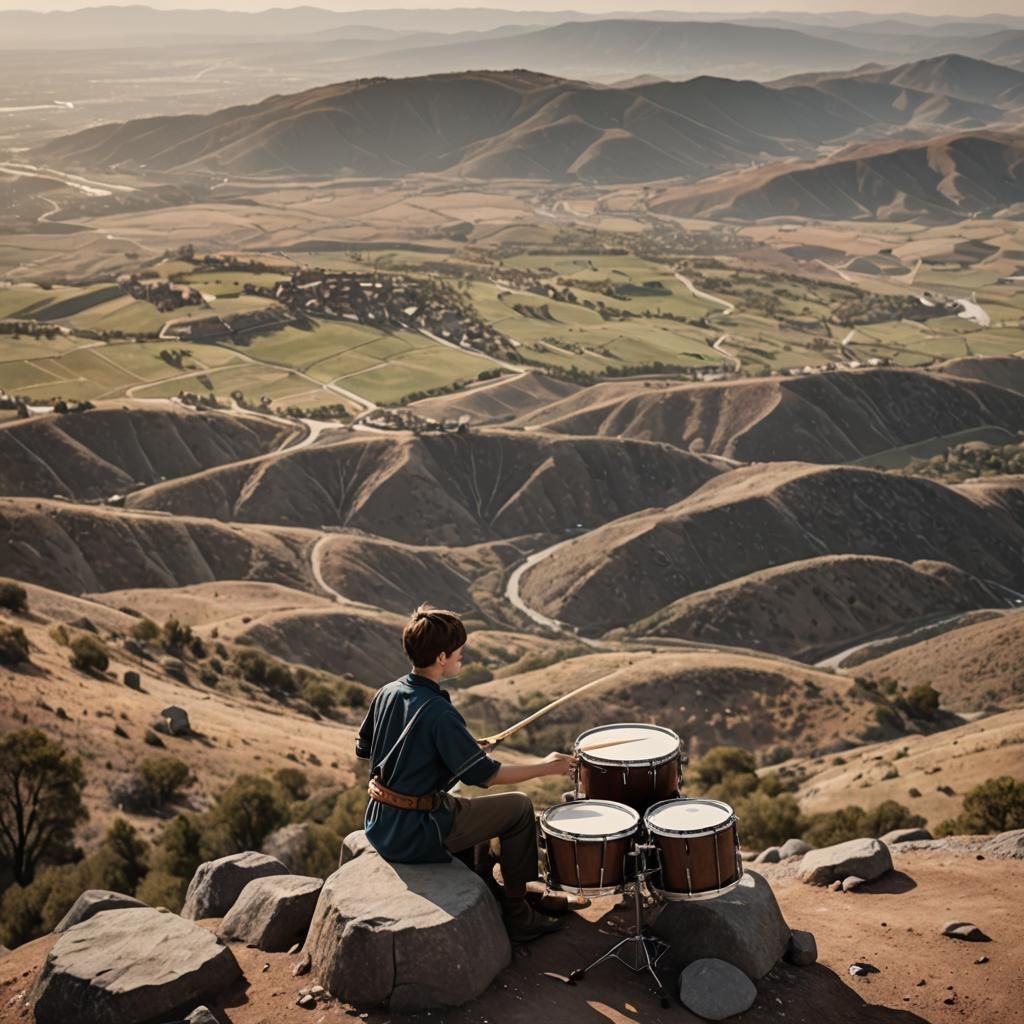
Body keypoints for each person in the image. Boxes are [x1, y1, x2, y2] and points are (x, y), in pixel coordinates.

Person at [356, 604, 575, 942]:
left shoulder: (388, 691)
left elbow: (366, 749)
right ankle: (518, 913)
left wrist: (464, 748)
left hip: (380, 821)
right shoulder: (439, 712)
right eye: (459, 651)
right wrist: (548, 767)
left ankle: (490, 884)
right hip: (414, 832)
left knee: (466, 806)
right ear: (442, 657)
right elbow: (484, 777)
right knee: (517, 808)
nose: (462, 657)